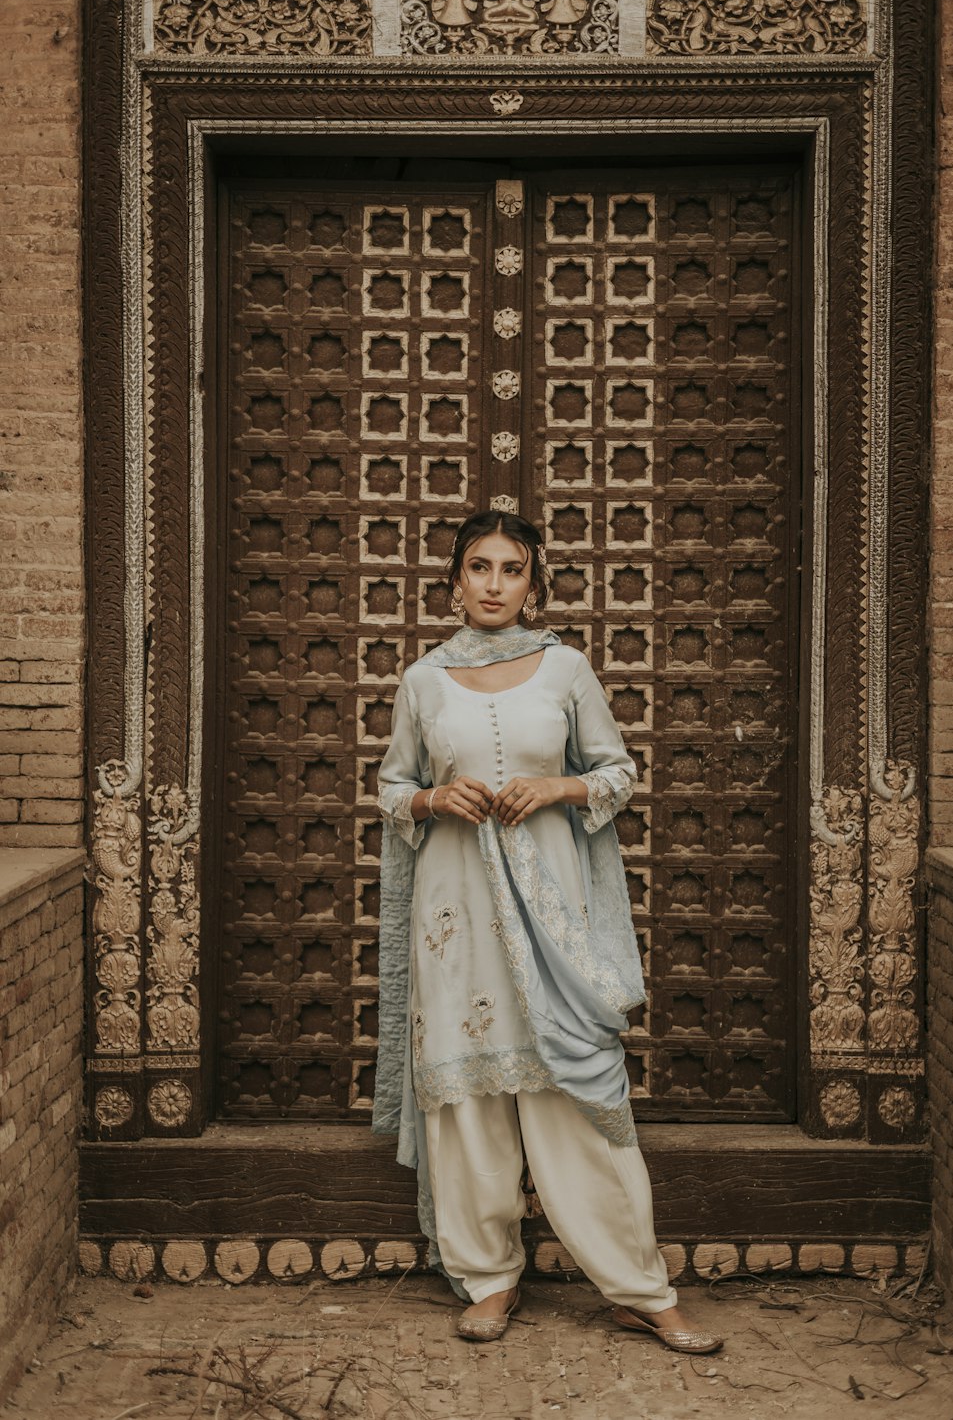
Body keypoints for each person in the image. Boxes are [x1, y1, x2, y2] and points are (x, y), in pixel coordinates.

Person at [373, 509, 722, 1352]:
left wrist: (556, 789)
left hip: (554, 914)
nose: (494, 584)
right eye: (479, 567)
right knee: (469, 1094)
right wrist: (431, 798)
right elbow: (391, 785)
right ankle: (488, 1278)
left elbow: (617, 771)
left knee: (578, 1090)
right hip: (455, 919)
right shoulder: (423, 680)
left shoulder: (566, 667)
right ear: (454, 580)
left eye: (512, 569)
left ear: (535, 584)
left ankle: (639, 1286)